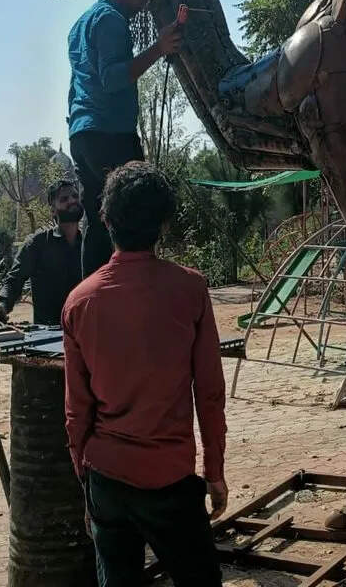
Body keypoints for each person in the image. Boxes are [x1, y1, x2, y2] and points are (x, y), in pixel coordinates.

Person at [62, 162, 226, 586]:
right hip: (169, 479)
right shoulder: (190, 290)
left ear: (105, 219)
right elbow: (209, 393)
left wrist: (88, 486)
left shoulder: (80, 302)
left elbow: (77, 409)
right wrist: (215, 472)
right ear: (164, 224)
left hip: (107, 479)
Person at [67, 0, 182, 278]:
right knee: (137, 211)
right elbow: (113, 78)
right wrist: (160, 48)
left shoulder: (81, 23)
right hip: (110, 133)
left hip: (82, 134)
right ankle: (136, 293)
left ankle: (94, 299)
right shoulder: (111, 20)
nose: (143, 5)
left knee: (100, 221)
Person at [0, 179, 84, 326]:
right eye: (64, 199)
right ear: (52, 210)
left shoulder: (89, 245)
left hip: (85, 331)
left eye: (75, 196)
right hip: (48, 335)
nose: (72, 200)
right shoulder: (37, 244)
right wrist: (2, 303)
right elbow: (14, 280)